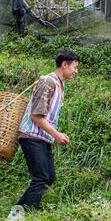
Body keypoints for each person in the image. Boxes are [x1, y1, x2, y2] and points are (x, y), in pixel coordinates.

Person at [15, 50, 79, 210]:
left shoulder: (58, 84)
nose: (76, 71)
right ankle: (22, 219)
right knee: (41, 179)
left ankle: (18, 214)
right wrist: (56, 134)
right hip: (31, 136)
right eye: (75, 67)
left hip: (42, 137)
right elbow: (36, 115)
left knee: (49, 177)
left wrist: (55, 135)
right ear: (65, 65)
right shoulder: (48, 82)